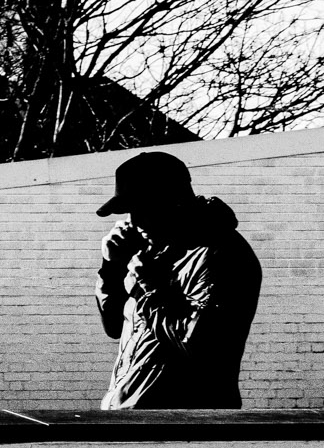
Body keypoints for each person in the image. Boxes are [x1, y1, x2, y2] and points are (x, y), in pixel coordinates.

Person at [93, 151, 262, 409]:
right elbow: (114, 326)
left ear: (175, 202)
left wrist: (150, 284)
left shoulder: (220, 254)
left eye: (142, 209)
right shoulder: (155, 253)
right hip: (135, 422)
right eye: (129, 211)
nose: (133, 221)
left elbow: (201, 348)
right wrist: (111, 267)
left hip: (182, 427)